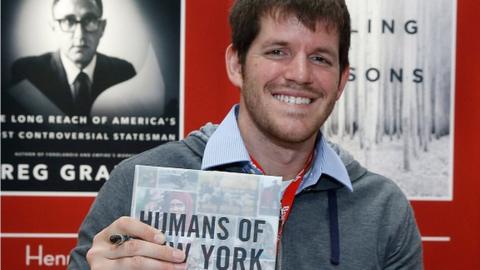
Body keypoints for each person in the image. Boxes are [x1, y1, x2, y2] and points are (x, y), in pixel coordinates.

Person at [68, 0, 423, 269]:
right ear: (236, 64)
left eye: (320, 58)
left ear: (342, 80)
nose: (300, 74)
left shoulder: (383, 209)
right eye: (277, 51)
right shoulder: (137, 182)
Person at [9, 0, 136, 116]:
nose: (79, 35)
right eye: (68, 21)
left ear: (102, 27)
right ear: (54, 27)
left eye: (89, 20)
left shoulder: (123, 73)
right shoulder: (27, 74)